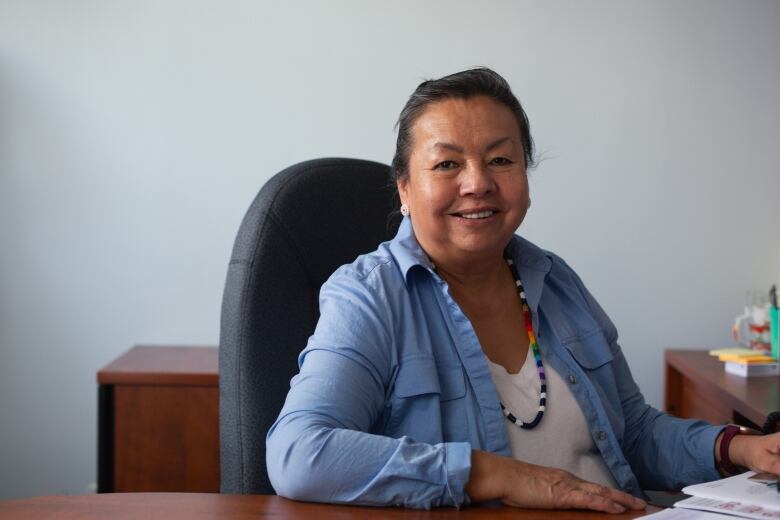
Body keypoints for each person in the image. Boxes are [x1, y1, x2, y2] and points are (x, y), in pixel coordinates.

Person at [266, 68, 780, 511]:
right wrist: (499, 475)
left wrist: (740, 449)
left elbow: (635, 434)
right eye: (447, 164)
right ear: (404, 188)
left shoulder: (555, 281)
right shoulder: (370, 296)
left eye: (500, 160)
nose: (477, 183)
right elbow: (299, 454)